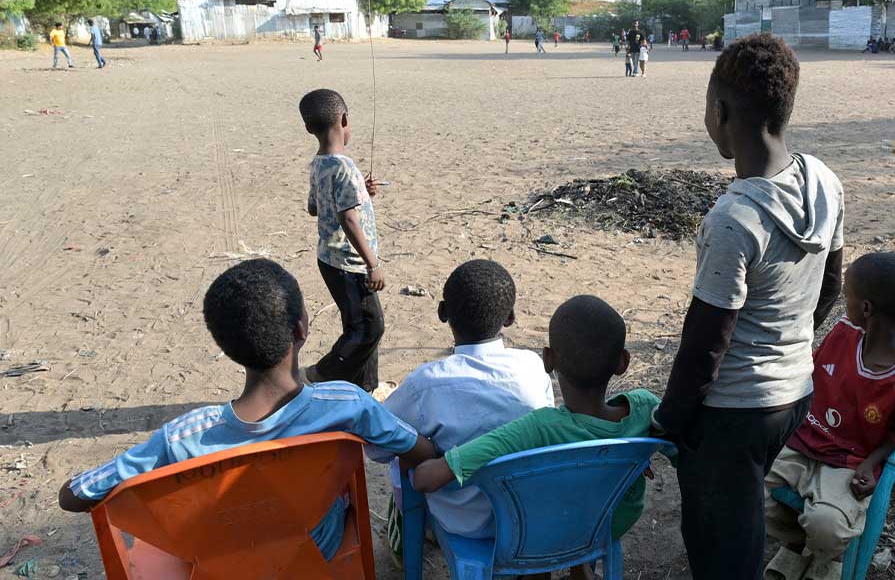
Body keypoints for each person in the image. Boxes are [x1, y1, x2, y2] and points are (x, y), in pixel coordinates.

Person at [57, 259, 436, 561]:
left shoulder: (183, 437)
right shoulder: (346, 403)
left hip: (221, 558)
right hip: (316, 546)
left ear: (226, 346)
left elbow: (73, 496)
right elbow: (421, 450)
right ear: (301, 329)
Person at [653, 34, 845, 580]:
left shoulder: (734, 219)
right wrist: (790, 346)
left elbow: (706, 344)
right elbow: (830, 285)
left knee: (723, 549)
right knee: (743, 512)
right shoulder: (825, 182)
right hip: (795, 393)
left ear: (720, 111)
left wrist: (671, 420)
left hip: (735, 412)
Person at [413, 295, 661, 579]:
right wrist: (639, 455)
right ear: (623, 361)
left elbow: (426, 479)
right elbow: (679, 444)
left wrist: (423, 458)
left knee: (536, 500)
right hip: (608, 523)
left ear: (548, 359)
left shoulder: (538, 428)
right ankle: (578, 564)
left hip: (541, 538)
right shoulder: (645, 408)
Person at [764, 253, 895, 580]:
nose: (843, 302)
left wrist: (871, 463)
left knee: (828, 526)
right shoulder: (841, 334)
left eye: (847, 295)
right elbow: (810, 371)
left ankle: (826, 558)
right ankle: (795, 544)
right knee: (747, 490)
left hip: (846, 462)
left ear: (866, 308)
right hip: (801, 440)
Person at [382, 259, 554, 551]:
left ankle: (413, 538)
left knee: (404, 458)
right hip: (527, 516)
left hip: (464, 523)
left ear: (443, 313)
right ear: (510, 318)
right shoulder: (532, 366)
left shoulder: (425, 383)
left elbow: (378, 444)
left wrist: (426, 448)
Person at [300, 89, 386, 392]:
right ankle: (319, 375)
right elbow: (348, 219)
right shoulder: (344, 167)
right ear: (345, 120)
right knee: (368, 328)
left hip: (330, 260)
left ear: (310, 128)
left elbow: (314, 207)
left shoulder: (320, 163)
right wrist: (372, 263)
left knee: (363, 327)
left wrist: (360, 191)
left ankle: (367, 388)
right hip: (348, 263)